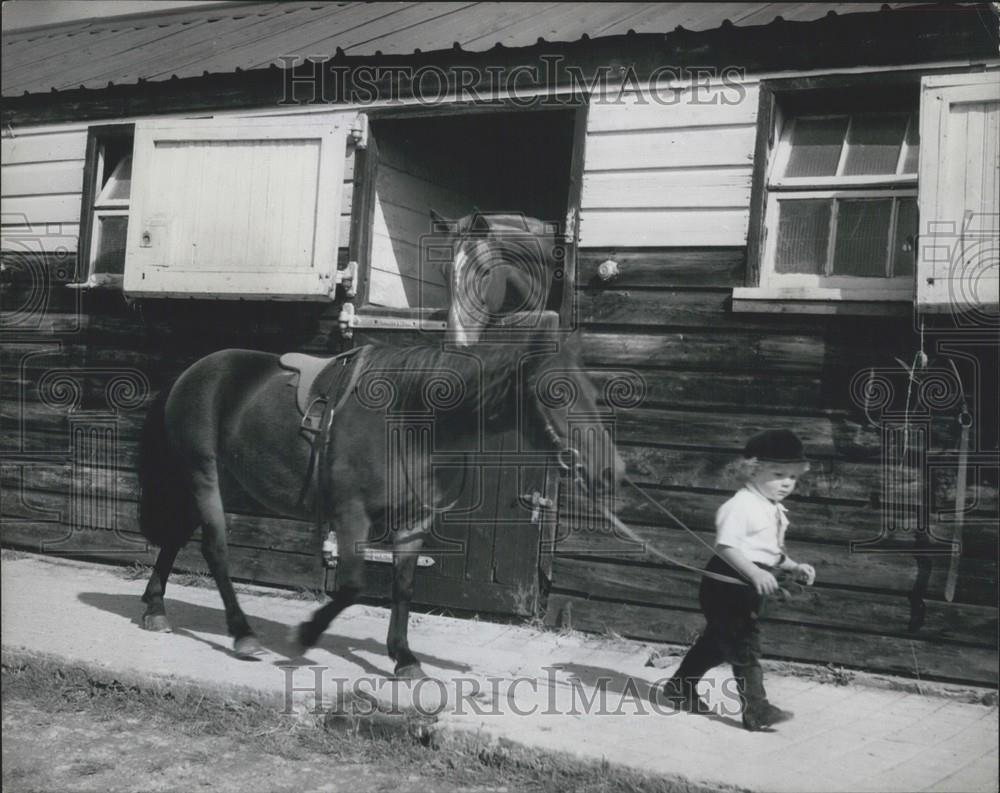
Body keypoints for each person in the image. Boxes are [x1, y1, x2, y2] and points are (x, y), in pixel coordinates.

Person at [660, 429, 816, 731]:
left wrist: (794, 566)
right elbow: (727, 547)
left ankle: (680, 685)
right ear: (753, 470)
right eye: (778, 474)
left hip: (748, 585)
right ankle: (756, 709)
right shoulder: (740, 506)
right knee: (744, 643)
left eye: (793, 477)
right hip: (725, 583)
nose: (786, 482)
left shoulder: (772, 508)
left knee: (719, 643)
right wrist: (755, 572)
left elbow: (769, 551)